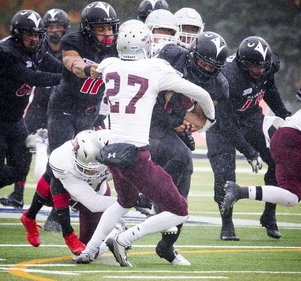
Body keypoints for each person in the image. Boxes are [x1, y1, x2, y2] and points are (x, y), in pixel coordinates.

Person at [72, 19, 216, 266]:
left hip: (112, 153)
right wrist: (210, 120)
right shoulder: (156, 68)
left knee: (124, 201)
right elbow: (200, 94)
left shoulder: (109, 65)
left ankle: (89, 250)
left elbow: (94, 69)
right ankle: (125, 239)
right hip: (137, 156)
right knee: (180, 210)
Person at [25, 1, 120, 254]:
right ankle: (68, 234)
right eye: (101, 29)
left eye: (110, 29)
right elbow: (72, 63)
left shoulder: (117, 47)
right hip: (63, 110)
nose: (107, 35)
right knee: (62, 168)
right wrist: (91, 69)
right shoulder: (74, 40)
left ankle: (30, 215)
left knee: (55, 169)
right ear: (89, 29)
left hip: (88, 113)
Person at [149, 31, 229, 265]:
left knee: (185, 165)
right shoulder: (171, 55)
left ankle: (168, 241)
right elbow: (151, 96)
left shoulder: (219, 85)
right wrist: (180, 119)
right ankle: (153, 199)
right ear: (192, 54)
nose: (205, 69)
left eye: (211, 67)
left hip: (170, 123)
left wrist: (183, 123)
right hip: (147, 117)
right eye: (202, 62)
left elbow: (201, 120)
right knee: (179, 158)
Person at [207, 36, 292, 240]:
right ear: (243, 63)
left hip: (251, 119)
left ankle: (269, 214)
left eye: (263, 66)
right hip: (220, 126)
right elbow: (227, 124)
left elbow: (270, 91)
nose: (260, 71)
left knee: (279, 161)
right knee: (225, 175)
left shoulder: (268, 67)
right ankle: (227, 224)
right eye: (255, 67)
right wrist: (250, 153)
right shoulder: (227, 76)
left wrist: (285, 115)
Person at [0, 9, 63, 228]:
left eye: (38, 35)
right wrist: (65, 79)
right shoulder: (4, 51)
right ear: (16, 33)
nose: (35, 39)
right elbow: (31, 77)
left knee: (20, 168)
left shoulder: (38, 50)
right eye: (29, 34)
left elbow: (56, 66)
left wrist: (75, 73)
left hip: (14, 119)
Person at [20, 129, 126, 255]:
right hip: (79, 194)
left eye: (95, 167)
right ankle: (63, 232)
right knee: (52, 178)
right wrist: (130, 201)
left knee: (89, 252)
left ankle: (116, 232)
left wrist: (136, 194)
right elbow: (93, 203)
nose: (91, 172)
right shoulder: (63, 159)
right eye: (86, 168)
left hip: (99, 191)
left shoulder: (114, 145)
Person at [221, 87, 301, 216]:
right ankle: (240, 192)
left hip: (293, 139)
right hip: (293, 139)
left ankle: (242, 193)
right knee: (291, 196)